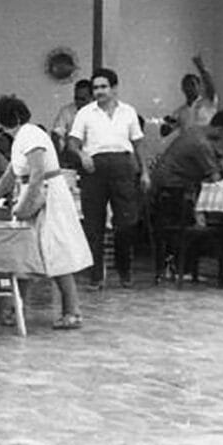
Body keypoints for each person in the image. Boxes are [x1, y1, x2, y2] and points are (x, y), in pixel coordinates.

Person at [0, 96, 92, 329]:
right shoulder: (19, 139)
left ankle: (73, 311)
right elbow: (10, 175)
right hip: (32, 194)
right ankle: (15, 309)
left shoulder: (31, 134)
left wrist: (25, 206)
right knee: (24, 254)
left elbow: (38, 172)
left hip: (49, 197)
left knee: (56, 253)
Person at [67, 68, 149, 290]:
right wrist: (82, 155)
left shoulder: (128, 112)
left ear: (114, 88)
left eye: (103, 87)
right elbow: (72, 142)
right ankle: (96, 277)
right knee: (94, 225)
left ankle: (125, 273)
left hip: (123, 167)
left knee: (126, 223)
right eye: (96, 88)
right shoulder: (85, 113)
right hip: (95, 169)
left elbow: (138, 144)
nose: (99, 92)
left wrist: (144, 172)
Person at [148, 110, 223, 193]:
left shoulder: (196, 130)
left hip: (167, 180)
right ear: (221, 130)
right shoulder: (202, 143)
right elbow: (215, 177)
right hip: (170, 184)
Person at [162, 55, 218, 136]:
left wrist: (201, 68)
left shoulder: (208, 102)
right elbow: (164, 133)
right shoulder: (179, 112)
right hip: (187, 147)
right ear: (182, 88)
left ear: (199, 86)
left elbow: (210, 86)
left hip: (206, 147)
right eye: (186, 85)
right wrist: (166, 123)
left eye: (192, 84)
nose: (189, 87)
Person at [50, 80, 93, 169]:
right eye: (76, 98)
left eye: (83, 99)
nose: (79, 102)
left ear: (92, 98)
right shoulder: (66, 111)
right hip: (73, 155)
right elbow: (57, 133)